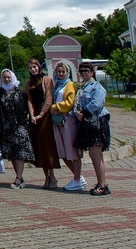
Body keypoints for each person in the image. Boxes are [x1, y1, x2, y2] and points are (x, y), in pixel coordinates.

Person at [73, 62, 111, 196]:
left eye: (86, 70)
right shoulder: (82, 87)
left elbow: (97, 102)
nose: (84, 73)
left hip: (97, 122)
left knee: (95, 154)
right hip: (88, 123)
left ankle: (102, 185)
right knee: (97, 155)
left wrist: (83, 111)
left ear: (92, 72)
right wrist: (76, 113)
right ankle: (102, 183)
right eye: (81, 71)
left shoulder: (96, 86)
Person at [0, 69, 34, 188]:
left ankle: (18, 178)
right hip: (6, 126)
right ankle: (19, 177)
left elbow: (26, 107)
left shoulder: (20, 93)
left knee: (19, 152)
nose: (7, 79)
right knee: (11, 153)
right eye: (5, 77)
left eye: (8, 77)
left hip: (19, 126)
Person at [25, 58, 59, 188]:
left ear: (38, 67)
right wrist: (32, 115)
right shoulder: (28, 83)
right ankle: (46, 177)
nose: (33, 70)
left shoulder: (47, 80)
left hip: (45, 116)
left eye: (35, 67)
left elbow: (49, 98)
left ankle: (53, 177)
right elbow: (29, 100)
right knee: (38, 147)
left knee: (47, 146)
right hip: (34, 117)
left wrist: (40, 114)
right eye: (30, 68)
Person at [50, 61, 83, 191]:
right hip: (58, 121)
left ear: (68, 72)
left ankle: (77, 179)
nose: (61, 74)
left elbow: (69, 103)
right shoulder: (57, 85)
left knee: (72, 151)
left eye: (63, 71)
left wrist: (55, 107)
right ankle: (78, 176)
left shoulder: (69, 85)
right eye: (59, 72)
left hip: (67, 121)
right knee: (62, 152)